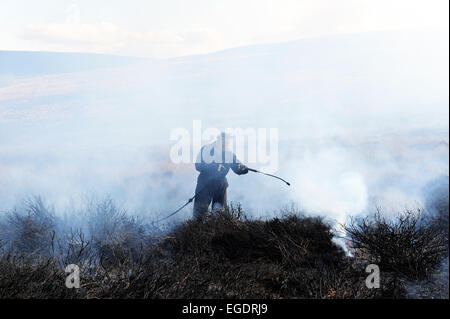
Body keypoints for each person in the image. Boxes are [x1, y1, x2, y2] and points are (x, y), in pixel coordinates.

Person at [193, 132, 248, 218]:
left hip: (220, 185)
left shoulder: (229, 154)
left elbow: (237, 167)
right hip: (204, 184)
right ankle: (195, 229)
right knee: (199, 213)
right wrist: (212, 166)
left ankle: (217, 230)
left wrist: (243, 169)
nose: (225, 143)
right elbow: (198, 165)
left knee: (219, 213)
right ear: (218, 140)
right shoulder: (205, 149)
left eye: (227, 141)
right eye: (223, 141)